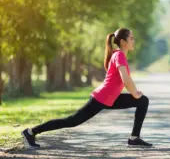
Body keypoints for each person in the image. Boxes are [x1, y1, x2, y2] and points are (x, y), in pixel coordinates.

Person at [21, 28, 152, 148]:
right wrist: (135, 93)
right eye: (131, 38)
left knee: (143, 101)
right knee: (72, 121)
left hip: (110, 98)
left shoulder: (118, 55)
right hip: (102, 97)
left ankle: (134, 138)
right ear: (123, 42)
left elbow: (125, 80)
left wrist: (136, 94)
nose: (134, 41)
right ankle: (31, 132)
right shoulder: (119, 56)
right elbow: (126, 79)